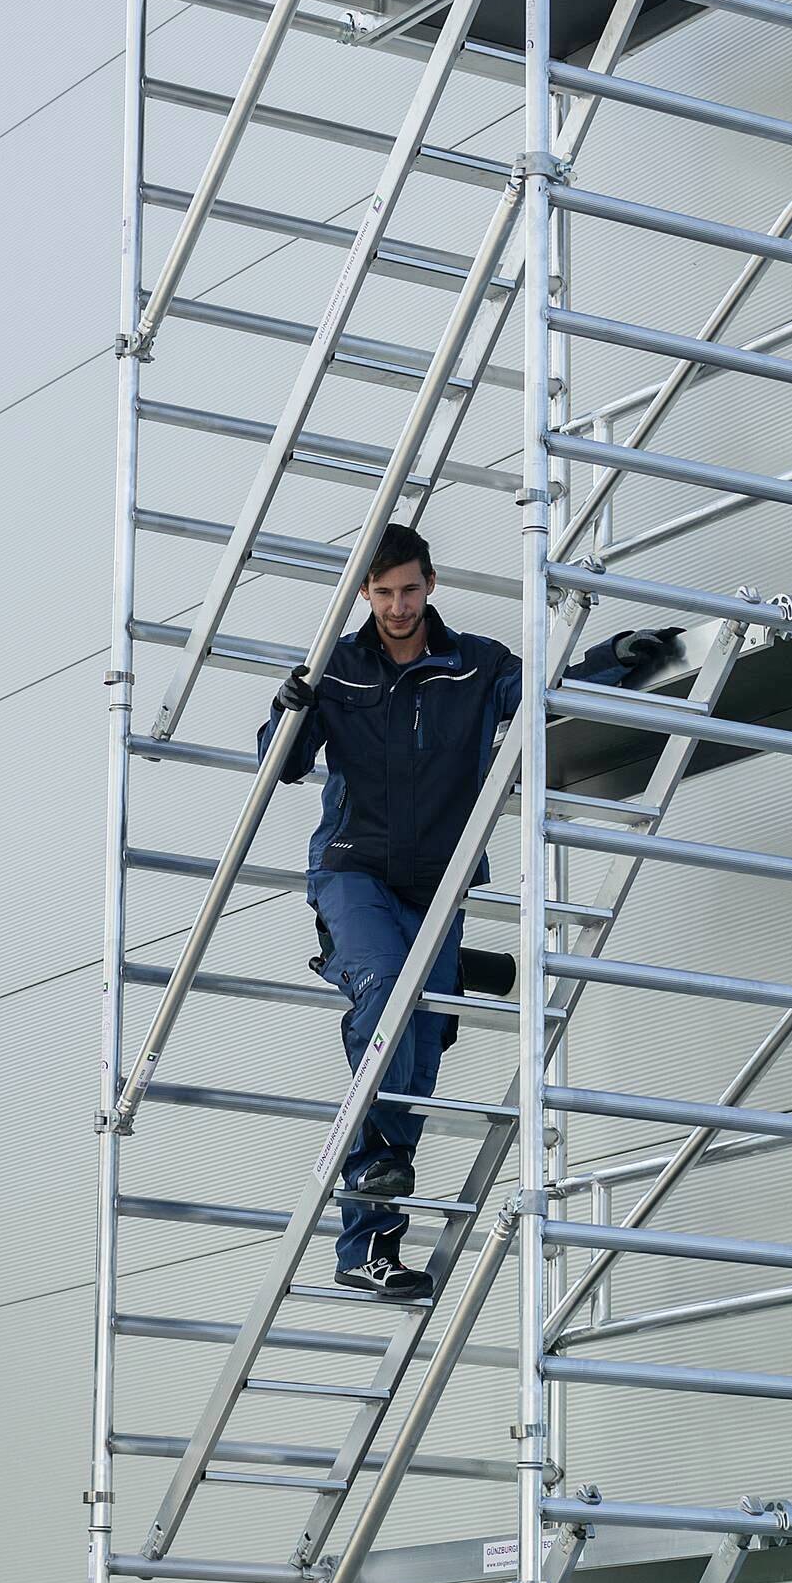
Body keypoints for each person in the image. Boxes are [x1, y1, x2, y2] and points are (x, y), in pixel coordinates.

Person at [265, 525, 521, 1301]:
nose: (398, 606)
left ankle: (365, 1248)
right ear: (364, 594)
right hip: (355, 869)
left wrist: (621, 661)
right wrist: (288, 710)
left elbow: (548, 694)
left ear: (430, 584)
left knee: (419, 1049)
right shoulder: (338, 668)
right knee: (382, 988)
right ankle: (374, 1170)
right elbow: (281, 764)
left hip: (437, 882)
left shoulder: (476, 664)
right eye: (383, 593)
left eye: (409, 589)